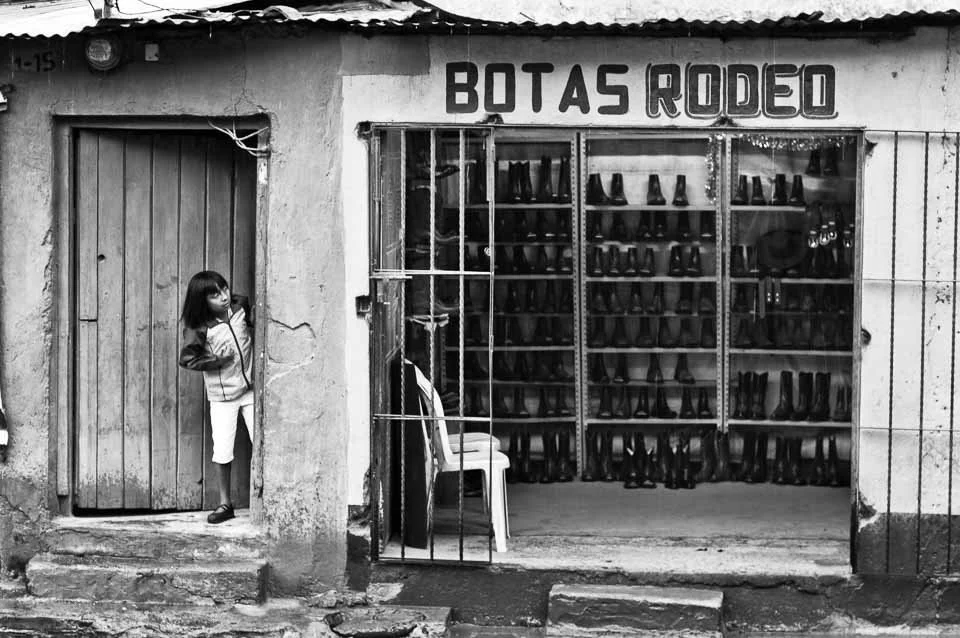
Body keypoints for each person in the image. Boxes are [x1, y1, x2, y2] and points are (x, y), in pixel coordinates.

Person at [178, 270, 254, 524]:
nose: (223, 297)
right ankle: (225, 504)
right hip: (223, 397)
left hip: (249, 390)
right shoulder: (201, 327)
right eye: (214, 295)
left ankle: (264, 499)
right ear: (202, 301)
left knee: (262, 443)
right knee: (223, 450)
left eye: (224, 290)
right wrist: (217, 360)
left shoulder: (240, 308)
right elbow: (188, 359)